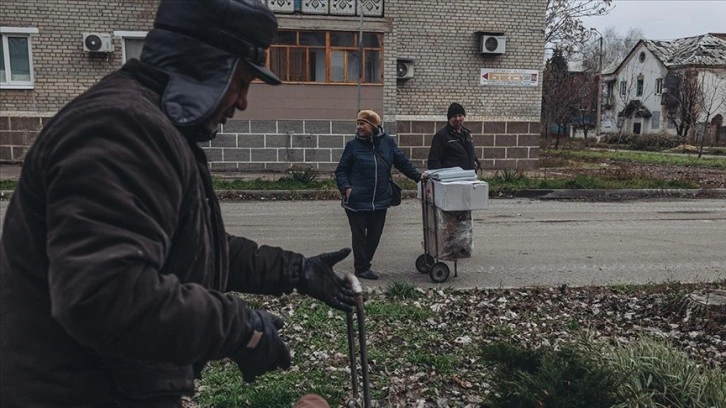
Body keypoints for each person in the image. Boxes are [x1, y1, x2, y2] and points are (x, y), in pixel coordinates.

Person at [0, 1, 353, 407]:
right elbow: (104, 294)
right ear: (207, 66)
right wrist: (240, 328)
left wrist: (296, 271)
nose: (241, 103)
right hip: (76, 390)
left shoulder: (148, 123)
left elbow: (191, 247)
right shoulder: (120, 127)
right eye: (241, 82)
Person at [335, 110, 424, 280]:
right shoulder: (353, 146)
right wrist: (346, 187)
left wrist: (419, 177)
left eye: (363, 124)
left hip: (381, 199)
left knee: (375, 235)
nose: (359, 127)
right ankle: (361, 268)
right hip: (357, 199)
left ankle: (364, 262)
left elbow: (402, 162)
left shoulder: (388, 143)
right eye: (358, 123)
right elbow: (341, 171)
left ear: (374, 126)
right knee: (359, 236)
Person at [427, 102, 481, 171]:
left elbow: (471, 154)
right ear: (449, 118)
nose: (457, 119)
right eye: (454, 116)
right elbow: (433, 162)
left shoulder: (466, 134)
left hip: (468, 177)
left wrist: (476, 164)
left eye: (460, 115)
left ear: (463, 117)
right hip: (451, 180)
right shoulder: (441, 136)